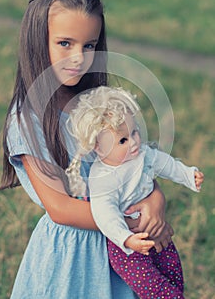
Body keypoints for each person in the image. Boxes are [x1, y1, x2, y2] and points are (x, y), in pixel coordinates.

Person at [0, 0, 174, 299]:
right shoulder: (28, 118)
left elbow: (135, 161)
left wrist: (156, 201)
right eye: (65, 43)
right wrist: (130, 219)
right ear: (37, 41)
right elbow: (61, 208)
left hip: (123, 256)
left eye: (89, 45)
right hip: (71, 257)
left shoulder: (103, 104)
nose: (78, 56)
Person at [65, 86, 204, 298]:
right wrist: (127, 239)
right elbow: (105, 214)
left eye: (134, 132)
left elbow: (165, 164)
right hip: (127, 247)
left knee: (171, 270)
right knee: (153, 287)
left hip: (155, 229)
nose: (133, 143)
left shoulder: (142, 155)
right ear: (99, 148)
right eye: (123, 140)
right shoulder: (103, 178)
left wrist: (188, 175)